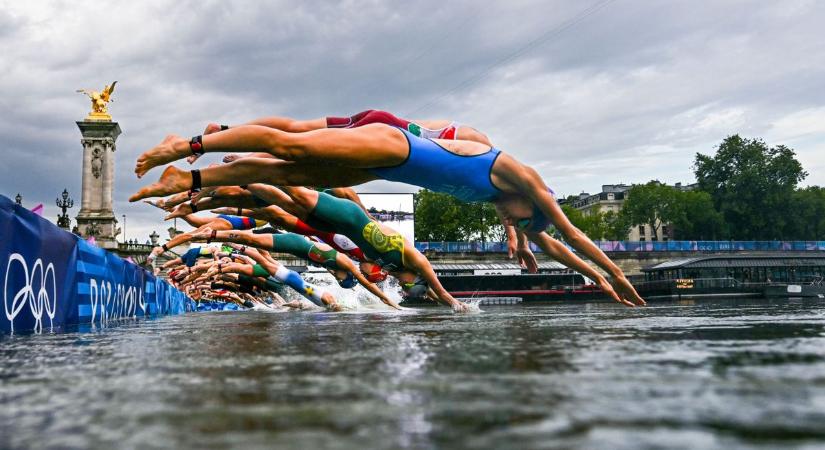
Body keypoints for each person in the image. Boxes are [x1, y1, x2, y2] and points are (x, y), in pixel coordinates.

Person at [131, 122, 644, 307]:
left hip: (385, 168)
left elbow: (555, 244)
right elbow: (571, 232)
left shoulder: (508, 206)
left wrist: (595, 280)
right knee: (289, 147)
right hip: (394, 144)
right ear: (533, 202)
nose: (514, 224)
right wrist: (616, 273)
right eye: (523, 222)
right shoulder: (521, 177)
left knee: (289, 173)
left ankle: (191, 182)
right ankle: (187, 147)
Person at [189, 227, 401, 309]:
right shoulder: (345, 264)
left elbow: (360, 284)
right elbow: (365, 282)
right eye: (340, 279)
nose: (337, 279)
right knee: (264, 258)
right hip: (297, 245)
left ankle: (231, 243)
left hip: (299, 257)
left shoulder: (336, 268)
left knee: (266, 261)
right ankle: (220, 236)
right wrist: (387, 300)